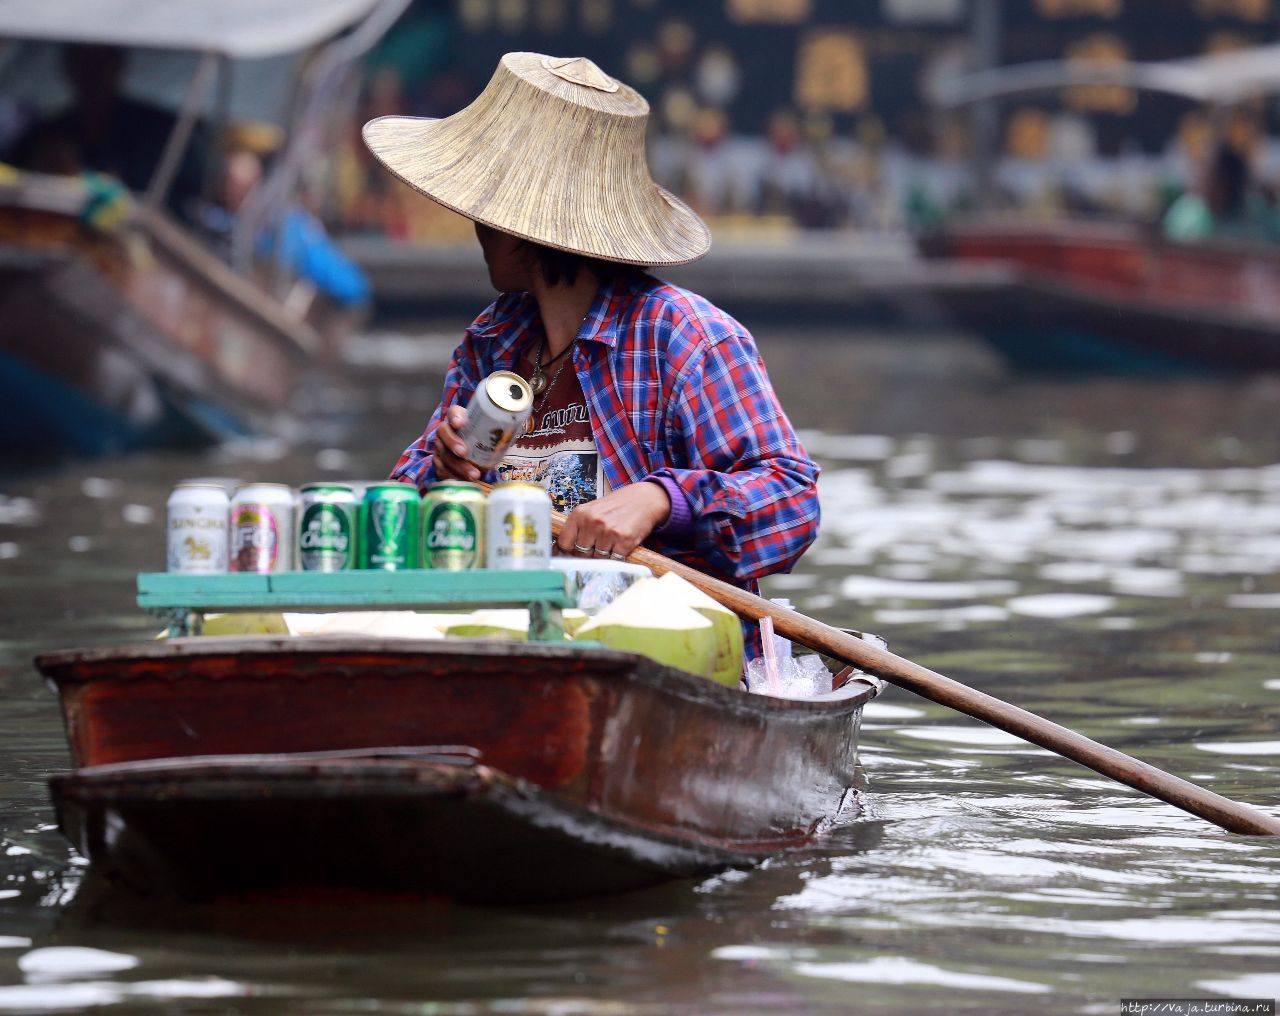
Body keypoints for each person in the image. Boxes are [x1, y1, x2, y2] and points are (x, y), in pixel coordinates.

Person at [363, 53, 819, 650]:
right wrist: (444, 474)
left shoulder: (684, 337)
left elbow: (793, 502)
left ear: (523, 225)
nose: (473, 225)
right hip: (512, 644)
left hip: (664, 657)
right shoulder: (492, 342)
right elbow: (406, 499)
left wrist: (661, 500)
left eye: (486, 212)